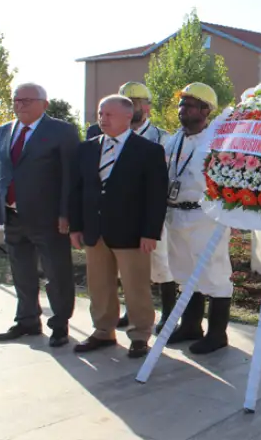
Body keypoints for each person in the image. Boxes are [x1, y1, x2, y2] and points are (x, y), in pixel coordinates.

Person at [69, 94, 169, 358]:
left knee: (135, 286)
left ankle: (139, 335)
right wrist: (75, 226)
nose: (103, 119)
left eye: (109, 114)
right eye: (101, 114)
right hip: (95, 230)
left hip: (132, 233)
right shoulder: (87, 148)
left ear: (128, 116)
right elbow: (77, 190)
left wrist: (150, 232)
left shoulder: (148, 151)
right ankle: (103, 331)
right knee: (99, 285)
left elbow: (156, 196)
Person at [0, 83, 81, 348]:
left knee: (57, 273)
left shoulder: (62, 131)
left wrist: (66, 214)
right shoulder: (3, 131)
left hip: (49, 218)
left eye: (27, 100)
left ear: (44, 104)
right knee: (21, 271)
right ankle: (27, 320)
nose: (21, 105)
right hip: (13, 215)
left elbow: (70, 177)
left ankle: (59, 324)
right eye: (17, 100)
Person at [90, 82, 176, 333]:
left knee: (161, 264)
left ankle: (168, 314)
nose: (135, 106)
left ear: (145, 107)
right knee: (121, 271)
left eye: (137, 102)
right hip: (116, 218)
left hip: (150, 214)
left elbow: (162, 181)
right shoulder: (98, 135)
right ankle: (128, 313)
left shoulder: (160, 137)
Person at [162, 83, 234, 355]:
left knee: (214, 274)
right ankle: (191, 326)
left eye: (190, 105)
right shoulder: (173, 140)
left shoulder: (217, 141)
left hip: (206, 216)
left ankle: (217, 334)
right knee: (183, 272)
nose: (183, 110)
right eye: (181, 104)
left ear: (206, 110)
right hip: (175, 213)